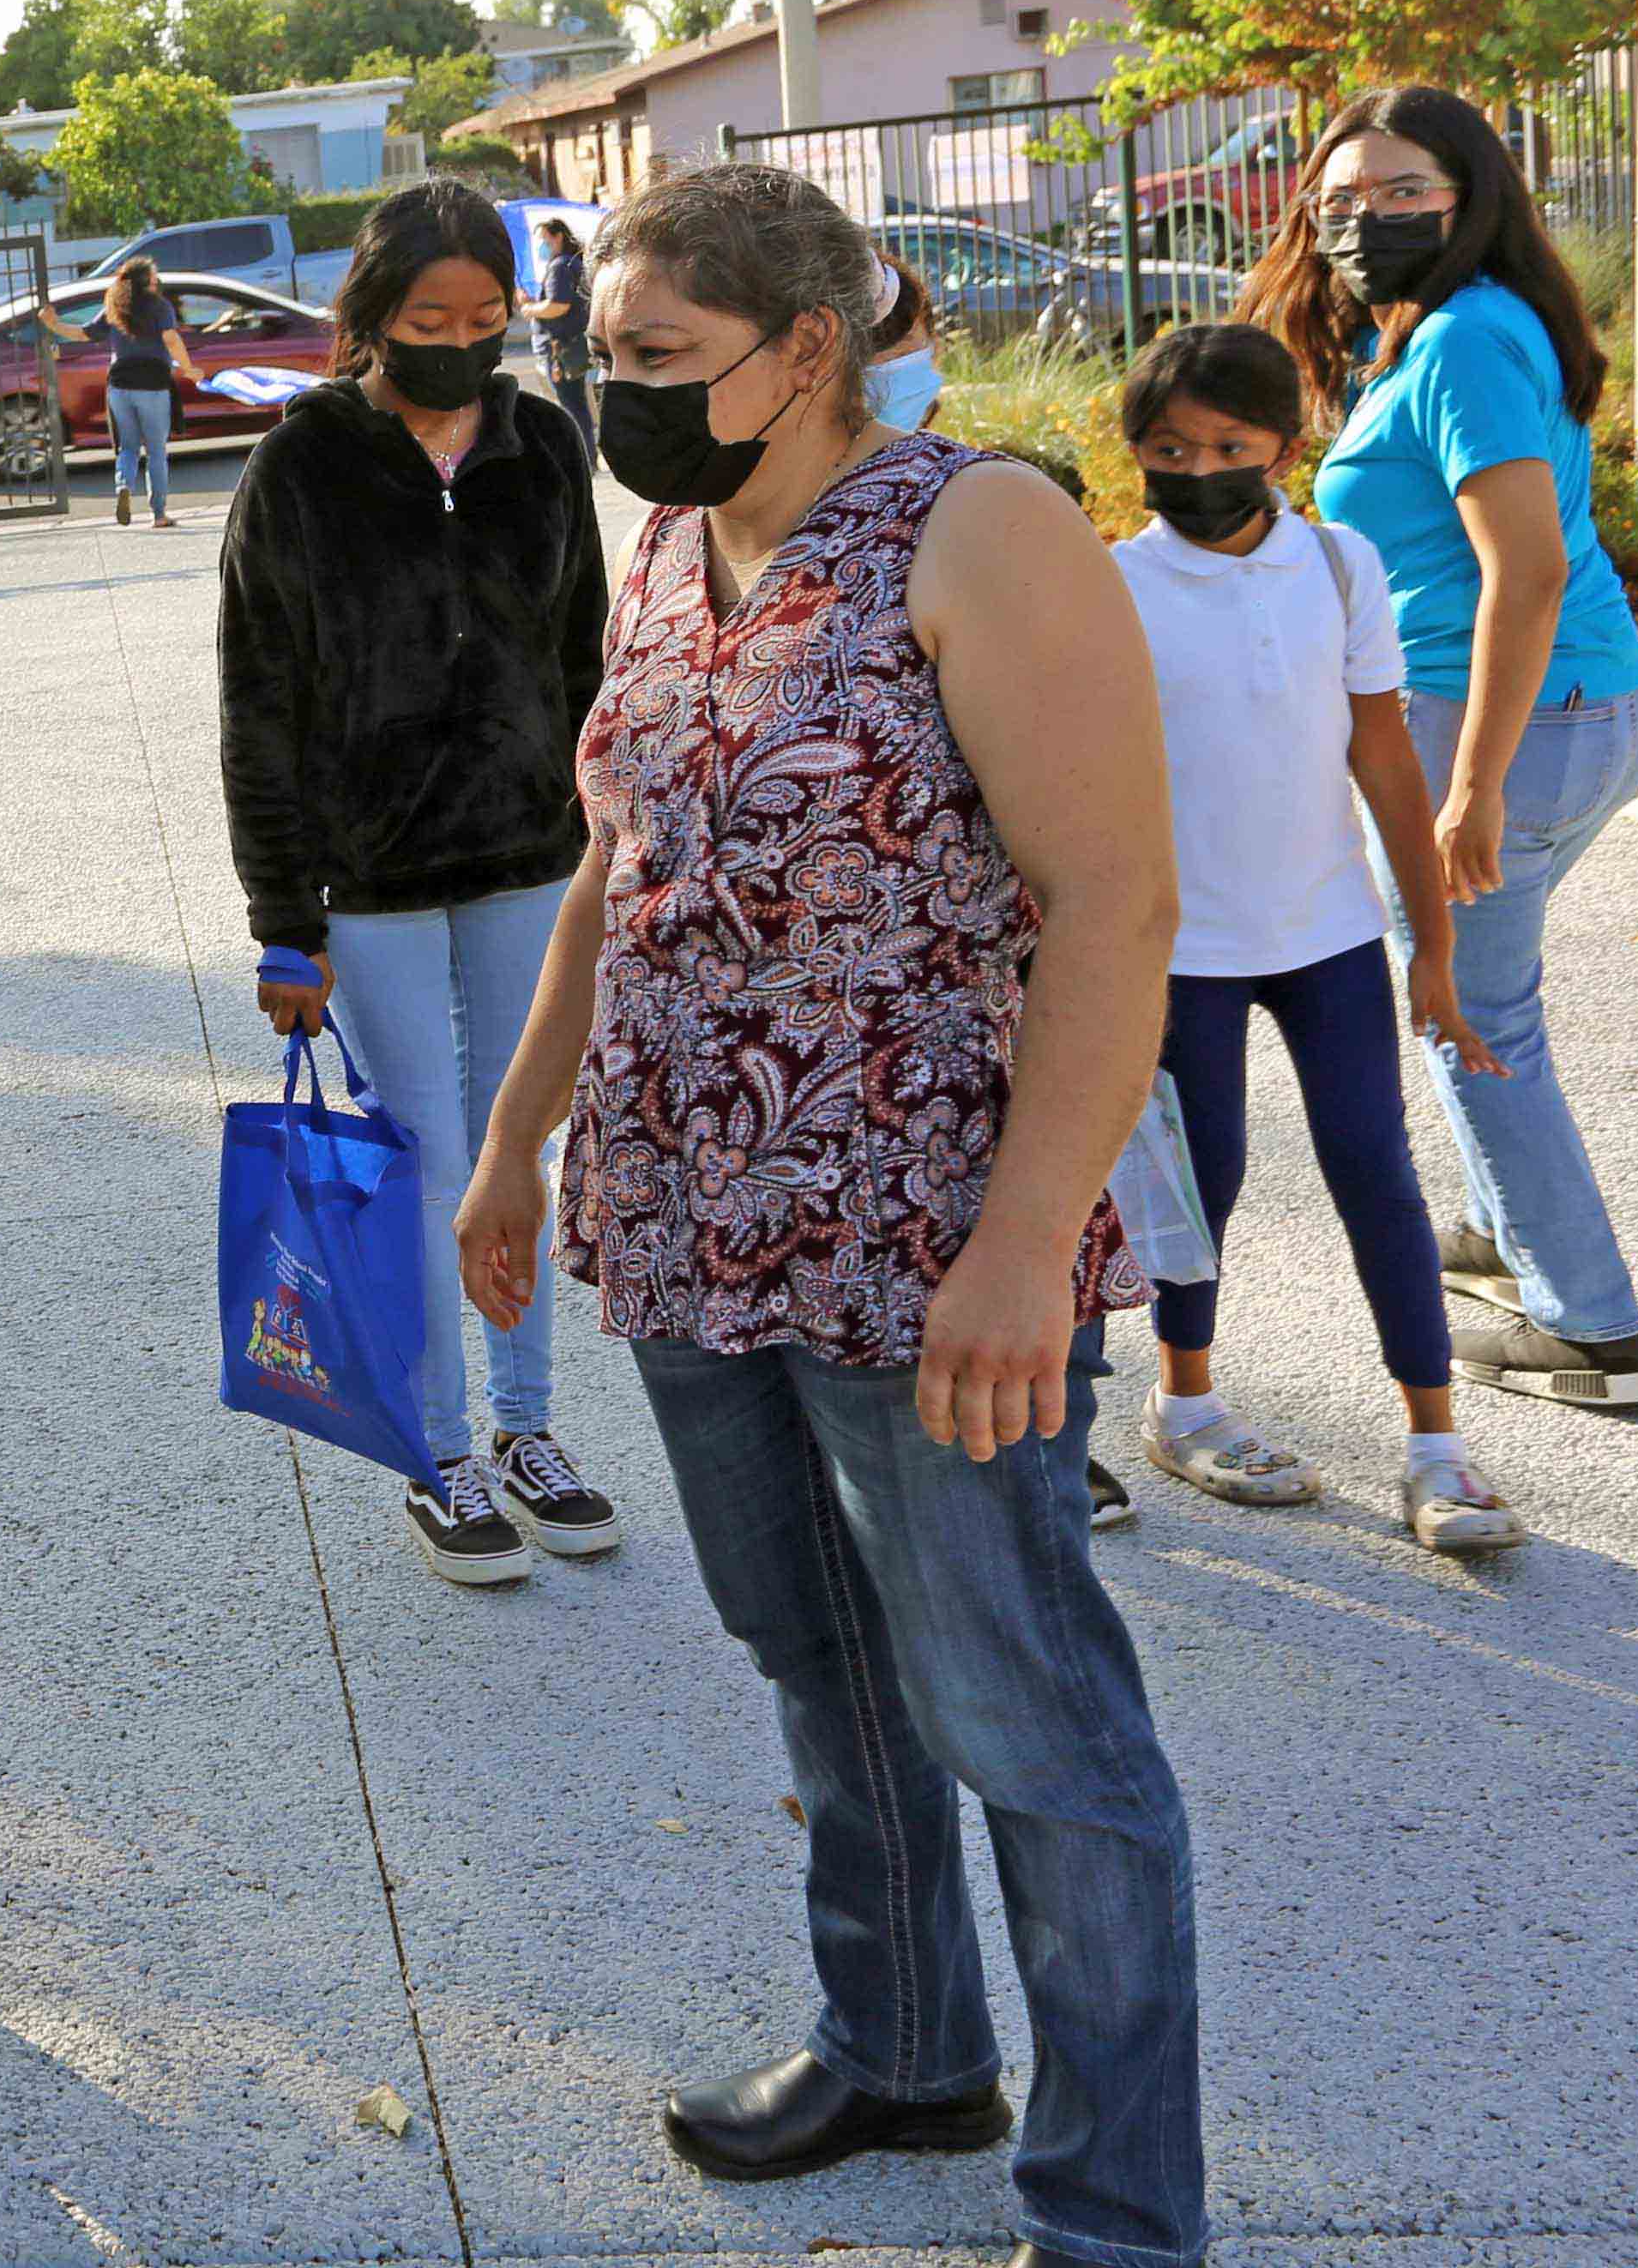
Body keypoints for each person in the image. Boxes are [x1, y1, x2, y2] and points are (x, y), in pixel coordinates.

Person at [455, 164, 1203, 2268]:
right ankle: (897, 2046)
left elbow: (1115, 905)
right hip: (694, 1218)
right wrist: (518, 1141)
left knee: (1025, 1715)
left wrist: (1014, 1248)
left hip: (921, 1237)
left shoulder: (979, 528)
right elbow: (614, 873)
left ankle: (1119, 2212)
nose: (615, 399)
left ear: (805, 349)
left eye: (657, 361)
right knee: (816, 1661)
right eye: (595, 360)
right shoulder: (671, 551)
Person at [218, 183, 617, 1588]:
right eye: (425, 319)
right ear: (369, 315)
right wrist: (281, 922)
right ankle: (439, 1449)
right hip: (370, 880)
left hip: (527, 861)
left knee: (524, 1150)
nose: (457, 341)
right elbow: (258, 705)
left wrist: (609, 848)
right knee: (432, 1157)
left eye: (483, 317)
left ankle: (528, 1428)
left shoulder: (546, 441)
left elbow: (590, 656)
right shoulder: (300, 464)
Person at [1254, 83, 1638, 1414]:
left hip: (1504, 726)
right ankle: (1505, 1230)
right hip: (1574, 713)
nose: (1368, 219)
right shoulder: (1445, 328)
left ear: (1470, 193)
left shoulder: (1463, 345)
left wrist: (1473, 788)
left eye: (1404, 193)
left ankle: (1590, 1331)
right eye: (1343, 200)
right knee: (1487, 998)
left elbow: (1527, 574)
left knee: (1469, 1015)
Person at [1108, 323, 1524, 1554]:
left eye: (1229, 446)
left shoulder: (1340, 568)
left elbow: (1386, 761)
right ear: (1134, 451)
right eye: (1169, 448)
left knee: (1375, 1173)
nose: (1198, 469)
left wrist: (1432, 950)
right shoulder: (1110, 584)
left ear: (1286, 448)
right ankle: (1184, 1404)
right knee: (1205, 1179)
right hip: (1182, 948)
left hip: (1329, 934)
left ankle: (1436, 1452)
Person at [36, 260, 193, 527]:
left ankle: (123, 487)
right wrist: (189, 368)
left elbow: (85, 334)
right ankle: (159, 514)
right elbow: (170, 339)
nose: (157, 282)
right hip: (153, 384)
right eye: (154, 278)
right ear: (147, 282)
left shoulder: (114, 307)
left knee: (128, 447)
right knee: (156, 450)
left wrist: (54, 325)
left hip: (119, 386)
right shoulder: (160, 306)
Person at [531, 216, 595, 447]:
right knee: (577, 404)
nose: (540, 246)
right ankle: (588, 455)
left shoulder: (559, 267)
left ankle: (583, 457)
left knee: (570, 406)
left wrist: (529, 309)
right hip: (572, 344)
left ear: (558, 237)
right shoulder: (572, 262)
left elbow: (558, 306)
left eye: (544, 240)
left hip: (560, 349)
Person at [866, 256, 949, 431]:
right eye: (870, 350)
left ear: (934, 343)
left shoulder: (947, 455)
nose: (885, 360)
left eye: (902, 349)